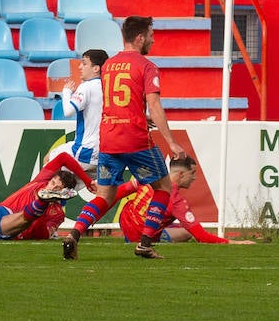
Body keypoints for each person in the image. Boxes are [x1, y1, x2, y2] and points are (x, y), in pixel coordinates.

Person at [60, 15, 185, 261]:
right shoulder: (146, 66)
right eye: (150, 35)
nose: (152, 39)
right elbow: (155, 104)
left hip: (109, 139)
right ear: (139, 38)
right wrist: (171, 141)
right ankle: (146, 242)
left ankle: (74, 234)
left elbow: (114, 101)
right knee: (163, 187)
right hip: (135, 139)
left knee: (105, 196)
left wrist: (138, 115)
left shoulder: (108, 66)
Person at [113, 155, 256, 245]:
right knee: (187, 232)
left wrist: (98, 210)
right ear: (181, 174)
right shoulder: (176, 201)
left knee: (178, 229)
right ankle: (152, 241)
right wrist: (235, 242)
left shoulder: (151, 177)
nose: (194, 178)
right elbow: (201, 237)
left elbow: (119, 192)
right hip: (141, 236)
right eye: (192, 173)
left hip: (127, 224)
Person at [0, 151, 93, 241]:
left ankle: (42, 202)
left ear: (63, 194)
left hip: (3, 229)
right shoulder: (40, 181)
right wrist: (87, 181)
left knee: (23, 218)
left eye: (57, 187)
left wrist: (43, 212)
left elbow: (41, 236)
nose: (52, 186)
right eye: (52, 182)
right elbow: (63, 157)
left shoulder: (56, 214)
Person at [60, 49, 108, 173]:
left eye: (84, 63)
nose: (80, 67)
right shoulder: (109, 87)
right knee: (97, 188)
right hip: (106, 150)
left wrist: (66, 92)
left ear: (96, 68)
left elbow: (68, 111)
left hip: (86, 150)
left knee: (50, 163)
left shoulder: (86, 86)